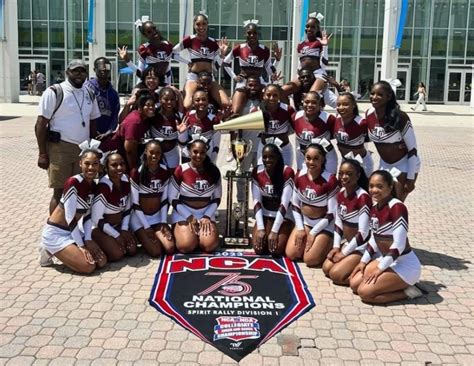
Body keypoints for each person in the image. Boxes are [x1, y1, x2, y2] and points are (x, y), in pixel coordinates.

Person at [35, 59, 101, 214]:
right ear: (67, 72)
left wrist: (92, 149)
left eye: (82, 71)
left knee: (78, 191)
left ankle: (73, 227)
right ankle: (55, 230)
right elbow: (40, 124)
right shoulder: (55, 92)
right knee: (59, 192)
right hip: (60, 148)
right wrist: (42, 153)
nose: (79, 74)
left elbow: (92, 122)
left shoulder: (90, 93)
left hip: (82, 149)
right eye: (75, 70)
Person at [349, 170, 423, 304]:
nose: (374, 190)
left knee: (365, 293)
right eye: (371, 186)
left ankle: (408, 292)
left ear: (390, 187)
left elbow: (399, 245)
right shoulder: (375, 207)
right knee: (354, 284)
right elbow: (374, 239)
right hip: (388, 260)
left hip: (406, 265)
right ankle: (391, 285)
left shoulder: (397, 207)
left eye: (380, 186)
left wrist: (380, 268)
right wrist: (363, 262)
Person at [39, 142, 107, 273]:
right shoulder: (73, 182)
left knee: (102, 262)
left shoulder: (94, 185)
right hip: (57, 233)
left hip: (73, 231)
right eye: (87, 163)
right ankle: (47, 248)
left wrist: (87, 239)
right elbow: (70, 218)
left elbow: (87, 216)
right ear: (80, 163)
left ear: (99, 166)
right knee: (89, 267)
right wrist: (82, 246)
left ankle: (67, 250)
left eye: (95, 164)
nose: (91, 167)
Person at [366, 80, 421, 201]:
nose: (374, 97)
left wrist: (410, 179)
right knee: (380, 200)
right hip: (384, 163)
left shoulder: (400, 117)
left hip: (404, 163)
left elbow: (412, 150)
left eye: (380, 94)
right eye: (372, 93)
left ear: (388, 97)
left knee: (395, 201)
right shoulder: (369, 114)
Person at [286, 143, 339, 267]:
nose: (311, 162)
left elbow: (332, 213)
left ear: (323, 159)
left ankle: (329, 241)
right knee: (292, 254)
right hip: (305, 223)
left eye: (316, 158)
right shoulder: (299, 175)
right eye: (308, 158)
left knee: (310, 260)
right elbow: (295, 204)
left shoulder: (330, 180)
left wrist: (313, 233)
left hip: (324, 225)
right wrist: (300, 228)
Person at [322, 157, 371, 285]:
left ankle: (365, 271)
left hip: (362, 246)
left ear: (358, 175)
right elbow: (338, 224)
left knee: (336, 275)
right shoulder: (341, 192)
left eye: (349, 174)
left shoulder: (363, 197)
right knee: (326, 268)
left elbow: (363, 234)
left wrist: (344, 253)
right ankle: (350, 266)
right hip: (349, 244)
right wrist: (336, 247)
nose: (344, 177)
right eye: (341, 173)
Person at [168, 137, 221, 253]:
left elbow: (217, 198)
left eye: (202, 152)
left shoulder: (213, 171)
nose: (198, 155)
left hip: (205, 213)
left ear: (206, 153)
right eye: (195, 152)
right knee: (185, 246)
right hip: (184, 213)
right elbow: (171, 197)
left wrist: (207, 216)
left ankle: (198, 235)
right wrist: (189, 216)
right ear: (189, 152)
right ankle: (185, 233)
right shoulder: (181, 170)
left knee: (209, 246)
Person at [173, 12, 230, 111]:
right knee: (187, 105)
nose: (201, 27)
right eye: (198, 24)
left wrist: (222, 55)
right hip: (193, 77)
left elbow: (216, 67)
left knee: (226, 104)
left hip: (209, 78)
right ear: (194, 25)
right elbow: (173, 52)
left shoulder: (213, 42)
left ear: (207, 25)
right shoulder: (190, 40)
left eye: (204, 24)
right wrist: (187, 62)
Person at [130, 140, 174, 256]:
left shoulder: (164, 171)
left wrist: (164, 221)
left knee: (169, 248)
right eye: (151, 152)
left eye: (158, 153)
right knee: (155, 252)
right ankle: (138, 234)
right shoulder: (136, 172)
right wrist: (146, 226)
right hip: (140, 219)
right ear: (145, 152)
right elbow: (135, 203)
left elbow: (164, 200)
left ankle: (150, 235)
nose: (154, 156)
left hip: (157, 217)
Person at [223, 20, 276, 116]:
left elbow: (269, 66)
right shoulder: (239, 48)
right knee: (235, 112)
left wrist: (274, 73)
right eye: (249, 33)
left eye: (254, 33)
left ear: (258, 34)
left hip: (259, 81)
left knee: (269, 106)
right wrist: (234, 77)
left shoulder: (264, 50)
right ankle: (236, 130)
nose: (252, 35)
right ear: (245, 34)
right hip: (243, 82)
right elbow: (225, 63)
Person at [91, 152, 138, 262]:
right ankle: (93, 244)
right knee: (117, 254)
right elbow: (96, 219)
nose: (119, 168)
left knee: (132, 250)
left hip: (118, 226)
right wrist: (116, 235)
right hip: (99, 228)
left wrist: (124, 229)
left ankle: (111, 243)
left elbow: (127, 208)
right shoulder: (104, 186)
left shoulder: (126, 179)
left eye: (122, 164)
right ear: (106, 168)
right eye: (114, 165)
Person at [251, 142, 294, 256]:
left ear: (278, 157)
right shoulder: (257, 172)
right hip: (266, 215)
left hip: (284, 217)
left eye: (272, 157)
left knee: (275, 250)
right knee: (258, 249)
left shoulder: (287, 172)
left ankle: (288, 230)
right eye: (265, 157)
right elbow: (257, 202)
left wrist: (274, 231)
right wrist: (260, 228)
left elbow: (284, 204)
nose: (268, 160)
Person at [117, 17, 189, 82]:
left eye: (154, 28)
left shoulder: (167, 45)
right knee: (135, 95)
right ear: (145, 35)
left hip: (164, 82)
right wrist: (127, 60)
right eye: (149, 32)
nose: (154, 32)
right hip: (150, 83)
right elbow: (140, 73)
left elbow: (173, 55)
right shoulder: (144, 49)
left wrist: (188, 62)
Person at [100, 90, 155, 174]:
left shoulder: (145, 119)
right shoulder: (135, 121)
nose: (151, 108)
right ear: (139, 107)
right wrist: (134, 171)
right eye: (147, 105)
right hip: (117, 158)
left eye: (152, 105)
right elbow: (129, 150)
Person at [282, 14, 331, 97]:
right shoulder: (300, 45)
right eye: (307, 26)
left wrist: (325, 46)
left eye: (312, 27)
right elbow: (300, 64)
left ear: (317, 29)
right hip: (304, 75)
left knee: (311, 96)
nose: (309, 29)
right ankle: (289, 109)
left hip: (318, 74)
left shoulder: (320, 42)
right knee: (282, 91)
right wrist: (298, 75)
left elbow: (325, 63)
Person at [291, 91, 337, 173]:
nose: (309, 105)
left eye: (314, 102)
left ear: (320, 104)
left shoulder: (328, 119)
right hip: (303, 159)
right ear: (303, 102)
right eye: (307, 102)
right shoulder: (296, 116)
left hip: (326, 159)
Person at [251, 84, 295, 167]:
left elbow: (296, 126)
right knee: (263, 176)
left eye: (275, 95)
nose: (272, 98)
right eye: (268, 95)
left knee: (285, 175)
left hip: (284, 149)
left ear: (279, 97)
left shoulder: (287, 109)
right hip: (264, 149)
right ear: (263, 96)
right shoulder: (256, 111)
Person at [332, 92, 373, 176]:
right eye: (338, 104)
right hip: (345, 162)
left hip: (362, 163)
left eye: (345, 104)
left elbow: (373, 139)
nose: (341, 107)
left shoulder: (362, 123)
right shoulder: (336, 120)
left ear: (354, 105)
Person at [180, 90, 222, 163]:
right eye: (197, 100)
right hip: (188, 155)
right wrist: (181, 133)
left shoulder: (214, 119)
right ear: (193, 102)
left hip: (206, 155)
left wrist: (212, 161)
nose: (201, 102)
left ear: (208, 101)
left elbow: (216, 144)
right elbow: (182, 142)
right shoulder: (188, 115)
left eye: (204, 99)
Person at [150, 87, 186, 169]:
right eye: (165, 99)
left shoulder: (178, 116)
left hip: (172, 154)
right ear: (159, 99)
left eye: (172, 99)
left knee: (172, 177)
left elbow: (182, 143)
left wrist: (181, 134)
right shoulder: (153, 115)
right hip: (154, 154)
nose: (169, 102)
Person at [85, 57, 120, 135]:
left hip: (105, 136)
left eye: (107, 66)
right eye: (100, 66)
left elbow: (115, 117)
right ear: (94, 69)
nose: (104, 69)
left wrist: (108, 132)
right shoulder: (86, 89)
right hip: (87, 135)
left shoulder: (113, 94)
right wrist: (93, 131)